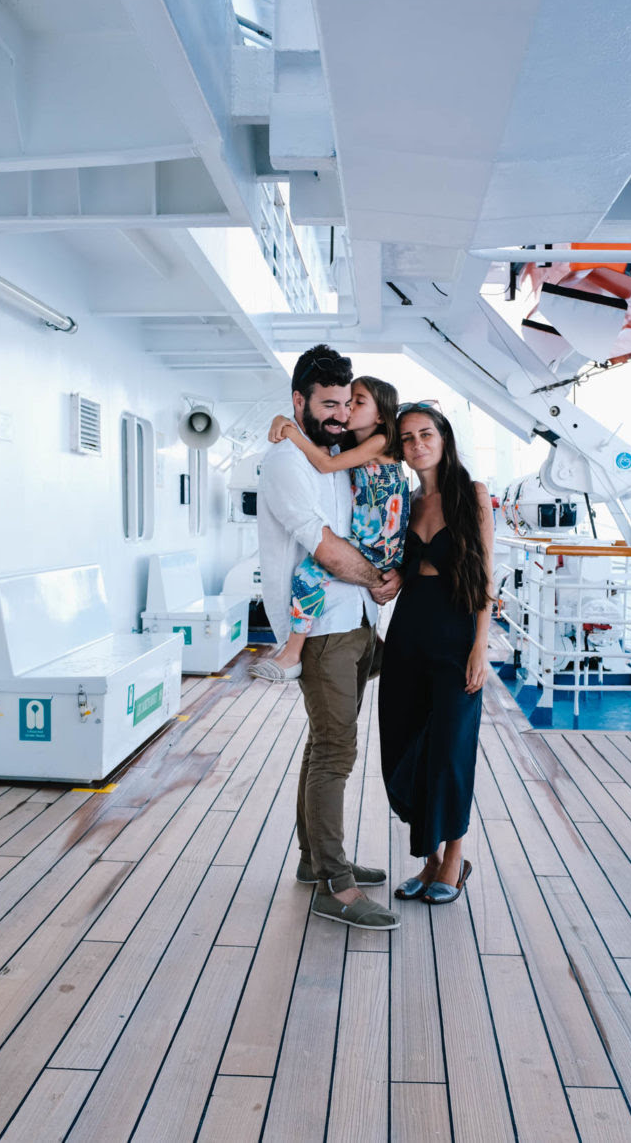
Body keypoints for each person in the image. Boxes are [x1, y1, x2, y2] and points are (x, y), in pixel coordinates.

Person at [255, 345, 401, 930]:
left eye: (347, 403)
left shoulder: (332, 455)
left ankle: (316, 861)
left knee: (324, 744)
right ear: (299, 402)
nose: (339, 414)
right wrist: (379, 580)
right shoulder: (286, 462)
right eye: (328, 404)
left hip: (356, 621)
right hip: (323, 628)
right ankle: (335, 887)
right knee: (337, 751)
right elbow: (325, 549)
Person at [379, 403, 494, 905]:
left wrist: (480, 646)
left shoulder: (473, 496)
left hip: (456, 629)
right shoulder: (404, 501)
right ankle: (427, 863)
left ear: (443, 438)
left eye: (426, 433)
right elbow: (402, 563)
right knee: (403, 741)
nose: (417, 443)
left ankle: (453, 860)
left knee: (450, 748)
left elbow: (486, 575)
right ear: (400, 449)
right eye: (407, 437)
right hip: (408, 630)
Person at [254, 376, 409, 680]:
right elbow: (323, 455)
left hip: (380, 543)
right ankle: (369, 650)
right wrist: (283, 420)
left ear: (380, 416)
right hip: (369, 538)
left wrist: (291, 434)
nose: (348, 409)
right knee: (317, 575)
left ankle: (292, 654)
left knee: (307, 575)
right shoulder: (353, 446)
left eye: (358, 402)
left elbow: (324, 465)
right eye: (347, 402)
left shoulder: (380, 441)